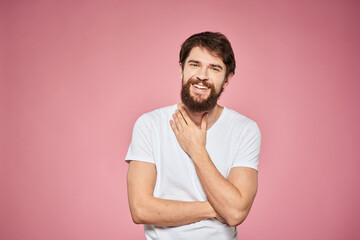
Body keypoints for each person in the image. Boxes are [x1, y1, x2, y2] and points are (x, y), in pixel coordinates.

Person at [125, 31, 261, 240]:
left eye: (214, 68)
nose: (202, 76)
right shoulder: (149, 125)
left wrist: (197, 149)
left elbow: (234, 213)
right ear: (181, 69)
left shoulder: (245, 130)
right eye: (194, 64)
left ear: (227, 79)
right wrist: (214, 209)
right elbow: (141, 209)